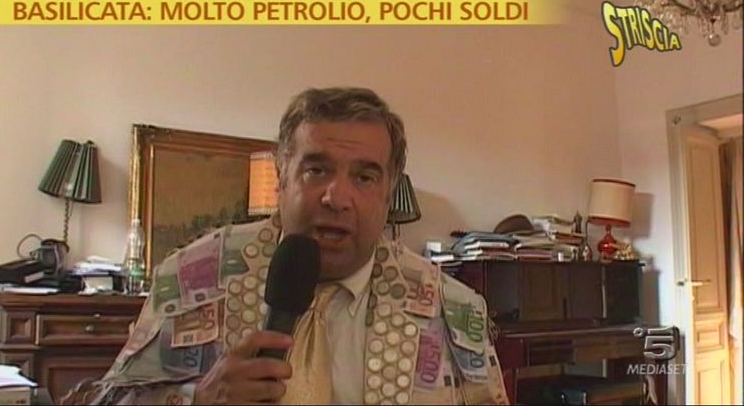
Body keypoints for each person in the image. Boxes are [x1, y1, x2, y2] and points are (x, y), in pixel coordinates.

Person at [64, 87, 508, 405]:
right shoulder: (187, 278)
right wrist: (196, 398)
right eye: (316, 170)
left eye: (364, 177)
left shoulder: (452, 310)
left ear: (389, 191)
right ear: (281, 175)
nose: (337, 197)